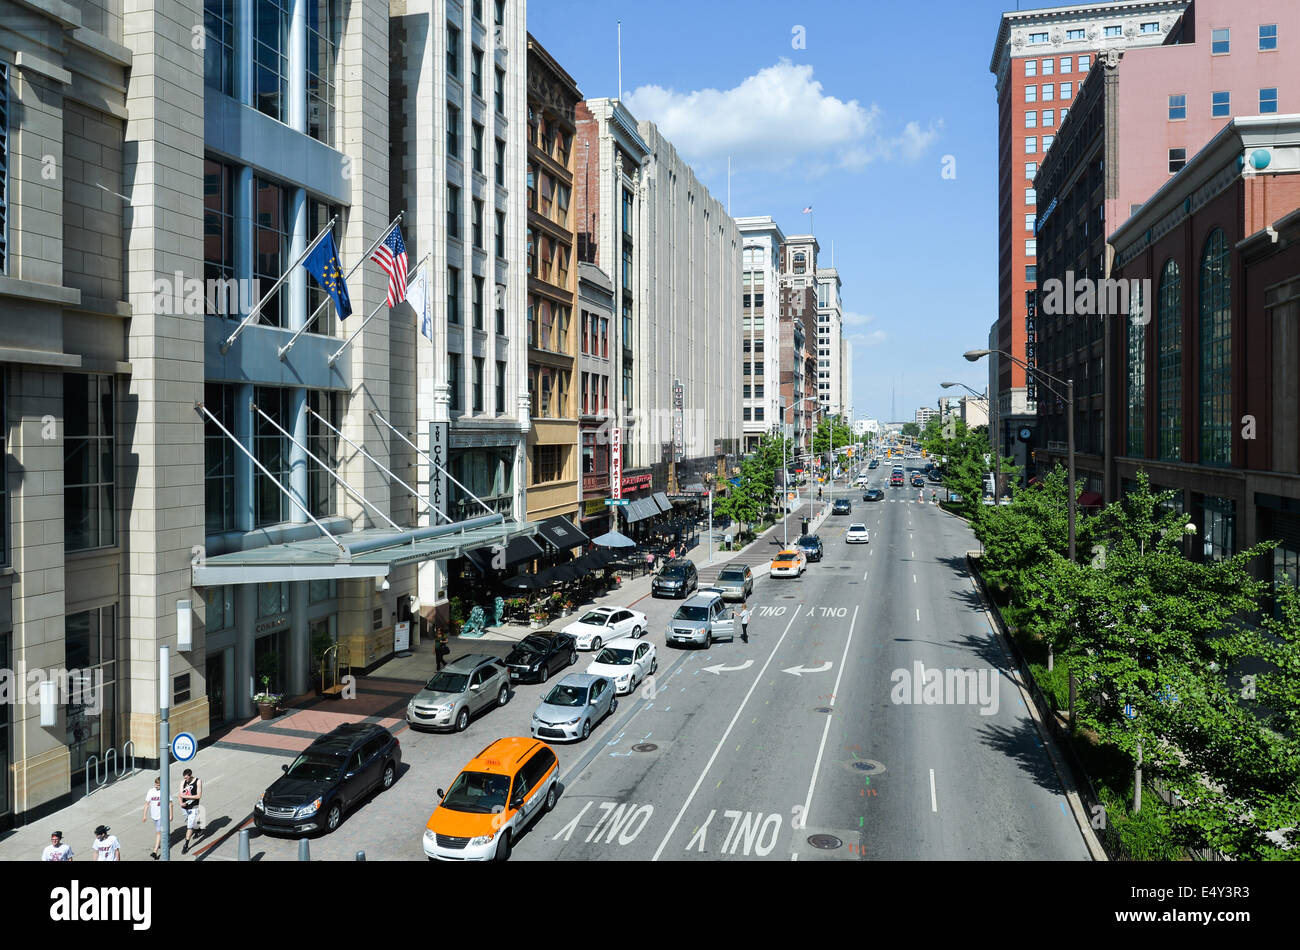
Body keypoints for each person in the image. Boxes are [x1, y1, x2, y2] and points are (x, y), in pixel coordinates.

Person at [142, 776, 173, 859]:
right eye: (156, 784)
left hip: (162, 816)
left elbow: (170, 803)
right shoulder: (151, 791)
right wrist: (144, 815)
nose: (156, 786)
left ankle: (155, 851)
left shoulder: (165, 791)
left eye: (158, 785)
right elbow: (147, 804)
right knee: (160, 832)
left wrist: (171, 815)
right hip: (154, 815)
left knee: (158, 833)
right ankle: (164, 839)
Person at [179, 768, 202, 853]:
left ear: (190, 776)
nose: (186, 780)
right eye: (184, 778)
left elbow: (198, 796)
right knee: (190, 821)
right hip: (185, 807)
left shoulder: (198, 781)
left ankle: (186, 845)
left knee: (189, 826)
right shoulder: (183, 782)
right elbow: (180, 794)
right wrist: (181, 803)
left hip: (193, 806)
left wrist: (188, 797)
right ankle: (198, 829)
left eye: (187, 778)